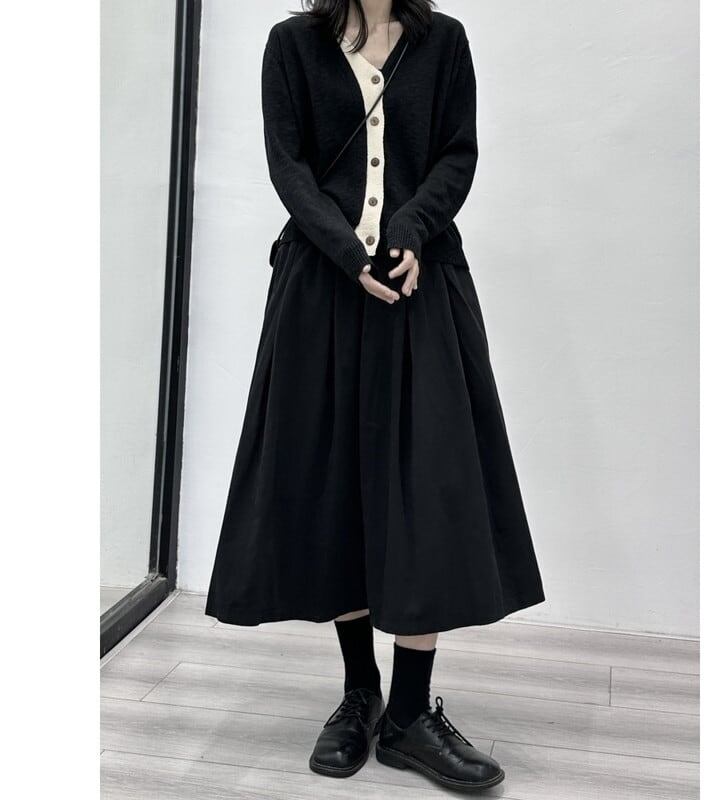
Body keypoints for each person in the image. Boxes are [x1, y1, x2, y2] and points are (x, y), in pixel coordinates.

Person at [205, 0, 545, 790]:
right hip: (320, 290)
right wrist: (346, 251)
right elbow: (288, 165)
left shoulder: (444, 42)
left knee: (429, 488)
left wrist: (411, 233)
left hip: (419, 287)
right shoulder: (291, 45)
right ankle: (361, 692)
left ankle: (410, 713)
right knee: (335, 486)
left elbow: (456, 153)